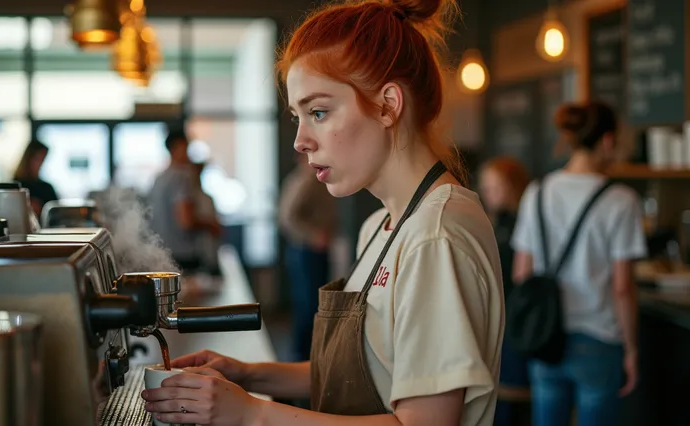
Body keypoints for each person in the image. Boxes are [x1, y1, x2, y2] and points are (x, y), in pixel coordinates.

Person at [141, 0, 505, 425]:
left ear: (388, 105)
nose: (300, 141)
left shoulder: (434, 235)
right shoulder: (382, 224)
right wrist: (248, 374)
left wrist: (250, 414)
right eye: (298, 116)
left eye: (318, 112)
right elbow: (375, 371)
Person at [510, 101, 647, 426]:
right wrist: (632, 349)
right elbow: (623, 287)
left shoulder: (537, 191)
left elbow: (522, 273)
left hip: (546, 336)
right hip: (599, 338)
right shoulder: (621, 200)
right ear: (608, 140)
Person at [478, 157, 531, 426]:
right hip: (496, 317)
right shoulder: (491, 222)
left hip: (518, 319)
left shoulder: (525, 223)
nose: (488, 193)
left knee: (514, 398)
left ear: (513, 186)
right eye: (485, 187)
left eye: (495, 186)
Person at [279, 151, 338, 362]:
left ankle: (304, 358)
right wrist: (315, 236)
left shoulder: (300, 179)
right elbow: (288, 217)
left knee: (307, 303)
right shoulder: (307, 180)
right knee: (310, 305)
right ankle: (305, 359)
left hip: (304, 249)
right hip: (307, 250)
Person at [147, 129, 221, 273]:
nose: (188, 154)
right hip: (184, 256)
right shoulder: (182, 177)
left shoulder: (158, 179)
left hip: (162, 254)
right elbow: (186, 221)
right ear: (177, 148)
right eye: (186, 148)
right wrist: (211, 224)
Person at [13, 140, 58, 217]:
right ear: (28, 159)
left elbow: (56, 214)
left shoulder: (46, 188)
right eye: (38, 159)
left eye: (43, 160)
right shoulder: (14, 187)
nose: (41, 164)